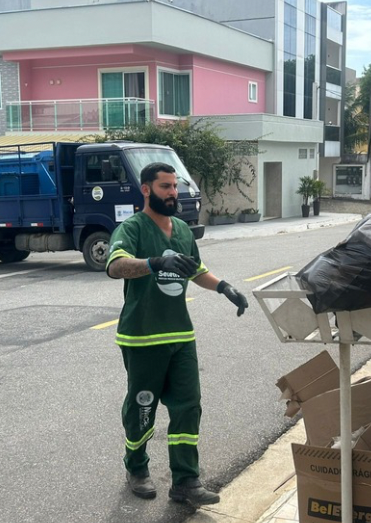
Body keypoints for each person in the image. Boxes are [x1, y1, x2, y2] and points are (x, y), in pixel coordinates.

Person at [106, 161, 248, 506]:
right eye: (165, 187)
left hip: (181, 335)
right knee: (143, 408)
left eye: (175, 187)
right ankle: (137, 467)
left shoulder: (183, 230)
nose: (173, 193)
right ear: (146, 190)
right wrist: (154, 263)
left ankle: (186, 481)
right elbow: (115, 266)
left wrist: (224, 287)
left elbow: (196, 270)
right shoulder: (132, 228)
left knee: (188, 407)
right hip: (142, 337)